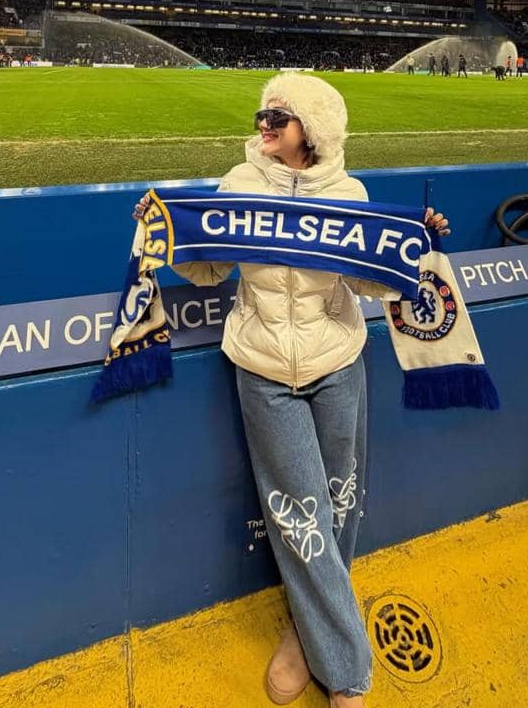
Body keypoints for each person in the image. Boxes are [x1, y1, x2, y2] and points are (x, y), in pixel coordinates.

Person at [134, 75, 450, 707]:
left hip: (338, 362)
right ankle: (348, 671)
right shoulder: (239, 183)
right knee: (298, 515)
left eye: (278, 117)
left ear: (314, 126)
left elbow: (369, 285)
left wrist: (410, 249)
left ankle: (307, 632)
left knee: (339, 502)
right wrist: (166, 232)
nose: (264, 125)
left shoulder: (348, 193)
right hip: (263, 368)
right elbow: (209, 268)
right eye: (261, 115)